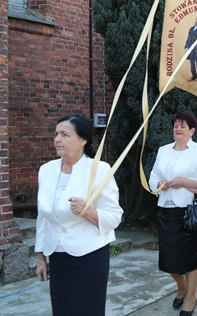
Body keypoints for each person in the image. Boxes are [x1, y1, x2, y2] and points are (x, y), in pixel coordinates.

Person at [35, 114, 123, 316]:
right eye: (56, 134)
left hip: (89, 255)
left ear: (83, 140)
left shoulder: (99, 170)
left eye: (64, 135)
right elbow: (43, 217)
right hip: (57, 255)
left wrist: (87, 211)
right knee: (62, 309)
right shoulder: (46, 170)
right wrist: (40, 257)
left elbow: (114, 216)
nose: (57, 139)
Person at [148, 111, 197, 316]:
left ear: (191, 131)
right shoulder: (163, 150)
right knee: (168, 260)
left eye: (183, 126)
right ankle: (182, 286)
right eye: (176, 125)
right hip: (166, 211)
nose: (178, 129)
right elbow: (152, 177)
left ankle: (190, 297)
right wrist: (159, 183)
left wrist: (184, 182)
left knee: (191, 258)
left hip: (190, 213)